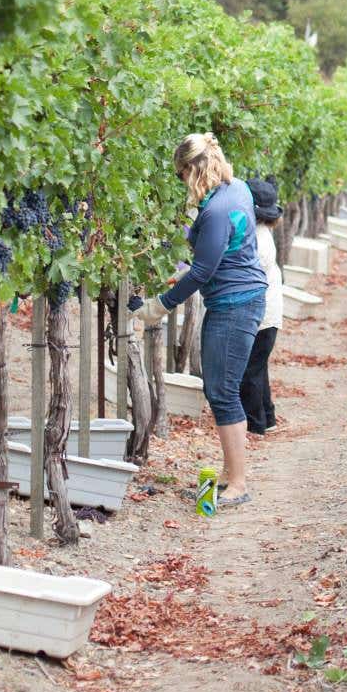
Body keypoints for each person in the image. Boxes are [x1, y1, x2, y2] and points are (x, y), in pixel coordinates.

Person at [136, 134, 268, 509]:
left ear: (193, 170)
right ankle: (228, 475)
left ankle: (238, 484)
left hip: (234, 305)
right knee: (220, 389)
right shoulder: (236, 188)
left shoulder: (217, 210)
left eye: (181, 176)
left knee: (223, 392)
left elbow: (202, 272)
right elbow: (219, 253)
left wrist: (159, 306)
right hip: (239, 299)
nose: (182, 184)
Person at [239, 177, 284, 436]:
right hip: (269, 314)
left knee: (250, 371)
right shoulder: (263, 232)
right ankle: (267, 418)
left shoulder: (257, 239)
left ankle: (255, 425)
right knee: (259, 367)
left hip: (262, 315)